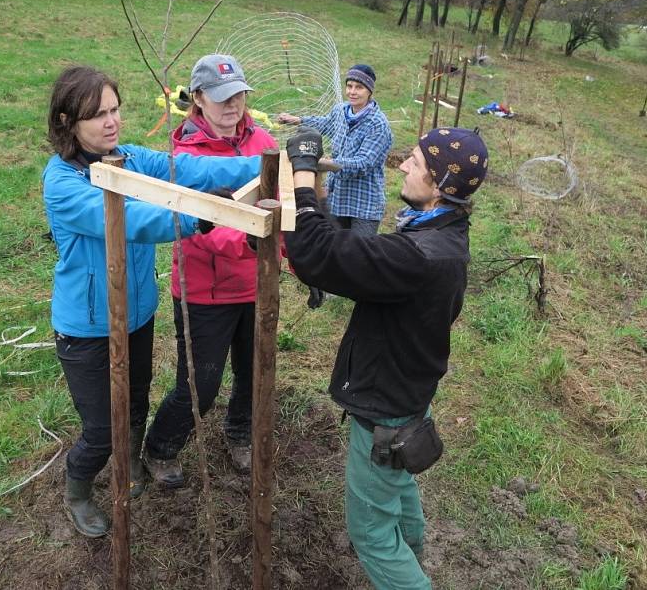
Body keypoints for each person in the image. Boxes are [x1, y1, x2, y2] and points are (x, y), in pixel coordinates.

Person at [43, 65, 261, 538]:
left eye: (114, 109)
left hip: (136, 316)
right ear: (66, 122)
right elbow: (131, 216)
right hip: (86, 326)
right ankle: (77, 491)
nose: (111, 122)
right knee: (101, 427)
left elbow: (197, 168)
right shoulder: (63, 184)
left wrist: (272, 159)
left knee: (136, 402)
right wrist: (201, 214)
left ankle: (131, 465)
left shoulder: (130, 158)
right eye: (96, 115)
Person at [282, 126, 488, 589]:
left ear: (438, 186)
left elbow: (320, 253)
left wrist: (302, 179)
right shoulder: (446, 233)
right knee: (397, 484)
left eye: (415, 162)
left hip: (386, 408)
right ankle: (412, 557)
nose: (403, 166)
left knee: (371, 533)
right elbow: (356, 255)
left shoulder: (417, 256)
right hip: (410, 392)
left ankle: (406, 575)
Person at [143, 54, 278, 483]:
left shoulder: (262, 142)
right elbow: (192, 226)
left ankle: (240, 434)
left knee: (254, 371)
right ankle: (159, 448)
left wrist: (291, 255)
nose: (232, 104)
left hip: (257, 284)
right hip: (206, 290)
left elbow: (282, 204)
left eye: (238, 94)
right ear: (198, 98)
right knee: (200, 385)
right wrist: (250, 239)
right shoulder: (180, 155)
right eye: (221, 97)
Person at [277, 64, 392, 236]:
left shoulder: (378, 124)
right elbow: (326, 124)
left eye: (359, 87)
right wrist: (298, 120)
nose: (352, 91)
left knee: (359, 255)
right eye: (349, 86)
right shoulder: (341, 111)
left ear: (370, 91)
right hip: (337, 197)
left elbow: (363, 163)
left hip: (363, 205)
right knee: (335, 249)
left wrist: (325, 164)